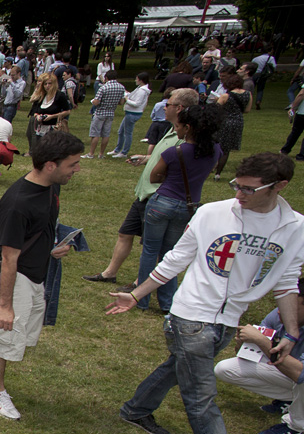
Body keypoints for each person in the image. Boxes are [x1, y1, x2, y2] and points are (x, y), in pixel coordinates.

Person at [108, 153, 304, 434]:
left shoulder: (295, 228)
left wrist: (292, 334)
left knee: (178, 366)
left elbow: (286, 284)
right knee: (200, 391)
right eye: (236, 186)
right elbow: (176, 259)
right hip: (190, 314)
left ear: (280, 186)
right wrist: (137, 294)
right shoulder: (212, 212)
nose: (239, 195)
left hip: (228, 321)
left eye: (249, 189)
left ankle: (135, 409)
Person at [0, 130, 84, 420]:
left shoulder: (51, 188)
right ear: (51, 165)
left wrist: (50, 248)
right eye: (72, 164)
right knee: (4, 335)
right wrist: (5, 305)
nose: (77, 169)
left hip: (35, 275)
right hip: (15, 278)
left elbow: (37, 232)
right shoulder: (19, 203)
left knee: (16, 333)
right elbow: (8, 257)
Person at [82, 88, 199, 288]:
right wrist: (147, 159)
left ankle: (141, 283)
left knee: (151, 245)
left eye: (168, 104)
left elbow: (177, 167)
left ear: (179, 108)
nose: (164, 107)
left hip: (159, 197)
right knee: (125, 233)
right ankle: (110, 273)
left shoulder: (184, 136)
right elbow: (164, 158)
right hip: (144, 194)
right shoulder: (171, 129)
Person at [134, 104, 221, 312]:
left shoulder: (174, 152)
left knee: (150, 251)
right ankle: (167, 301)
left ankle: (141, 299)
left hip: (162, 202)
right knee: (170, 254)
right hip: (188, 206)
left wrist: (170, 177)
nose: (177, 130)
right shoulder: (215, 151)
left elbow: (155, 176)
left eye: (178, 126)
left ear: (188, 128)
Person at [215, 280, 304, 434]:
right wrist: (244, 341)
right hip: (293, 375)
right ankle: (290, 400)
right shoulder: (279, 314)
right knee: (224, 369)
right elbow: (247, 354)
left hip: (299, 376)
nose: (280, 311)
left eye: (292, 305)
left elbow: (301, 374)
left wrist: (262, 341)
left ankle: (296, 426)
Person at [212, 69, 252, 180]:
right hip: (238, 121)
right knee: (226, 149)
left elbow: (217, 108)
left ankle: (212, 166)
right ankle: (218, 173)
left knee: (217, 143)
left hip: (225, 120)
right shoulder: (248, 94)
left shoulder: (226, 96)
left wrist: (217, 100)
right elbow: (247, 110)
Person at [85, 70, 125, 159]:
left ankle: (91, 153)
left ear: (106, 78)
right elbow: (121, 102)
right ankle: (101, 154)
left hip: (100, 112)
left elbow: (96, 102)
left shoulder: (103, 87)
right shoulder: (121, 87)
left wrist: (93, 101)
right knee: (106, 134)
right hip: (111, 113)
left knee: (95, 134)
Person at [110, 72, 151, 159]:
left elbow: (137, 103)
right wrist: (127, 94)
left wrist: (126, 99)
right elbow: (132, 96)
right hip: (130, 113)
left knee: (127, 133)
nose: (135, 80)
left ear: (141, 80)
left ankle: (124, 152)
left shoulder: (142, 91)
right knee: (121, 131)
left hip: (133, 113)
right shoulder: (139, 88)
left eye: (137, 79)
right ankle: (117, 149)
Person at [27, 73, 70, 152]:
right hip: (41, 128)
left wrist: (52, 116)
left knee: (51, 150)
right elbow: (35, 111)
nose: (47, 86)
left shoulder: (60, 95)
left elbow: (67, 111)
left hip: (54, 128)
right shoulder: (42, 96)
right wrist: (38, 116)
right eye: (45, 84)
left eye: (49, 83)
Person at [280, 81, 304, 159]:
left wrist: (293, 107)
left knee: (295, 132)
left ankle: (285, 150)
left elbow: (301, 94)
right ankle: (302, 155)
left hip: (302, 113)